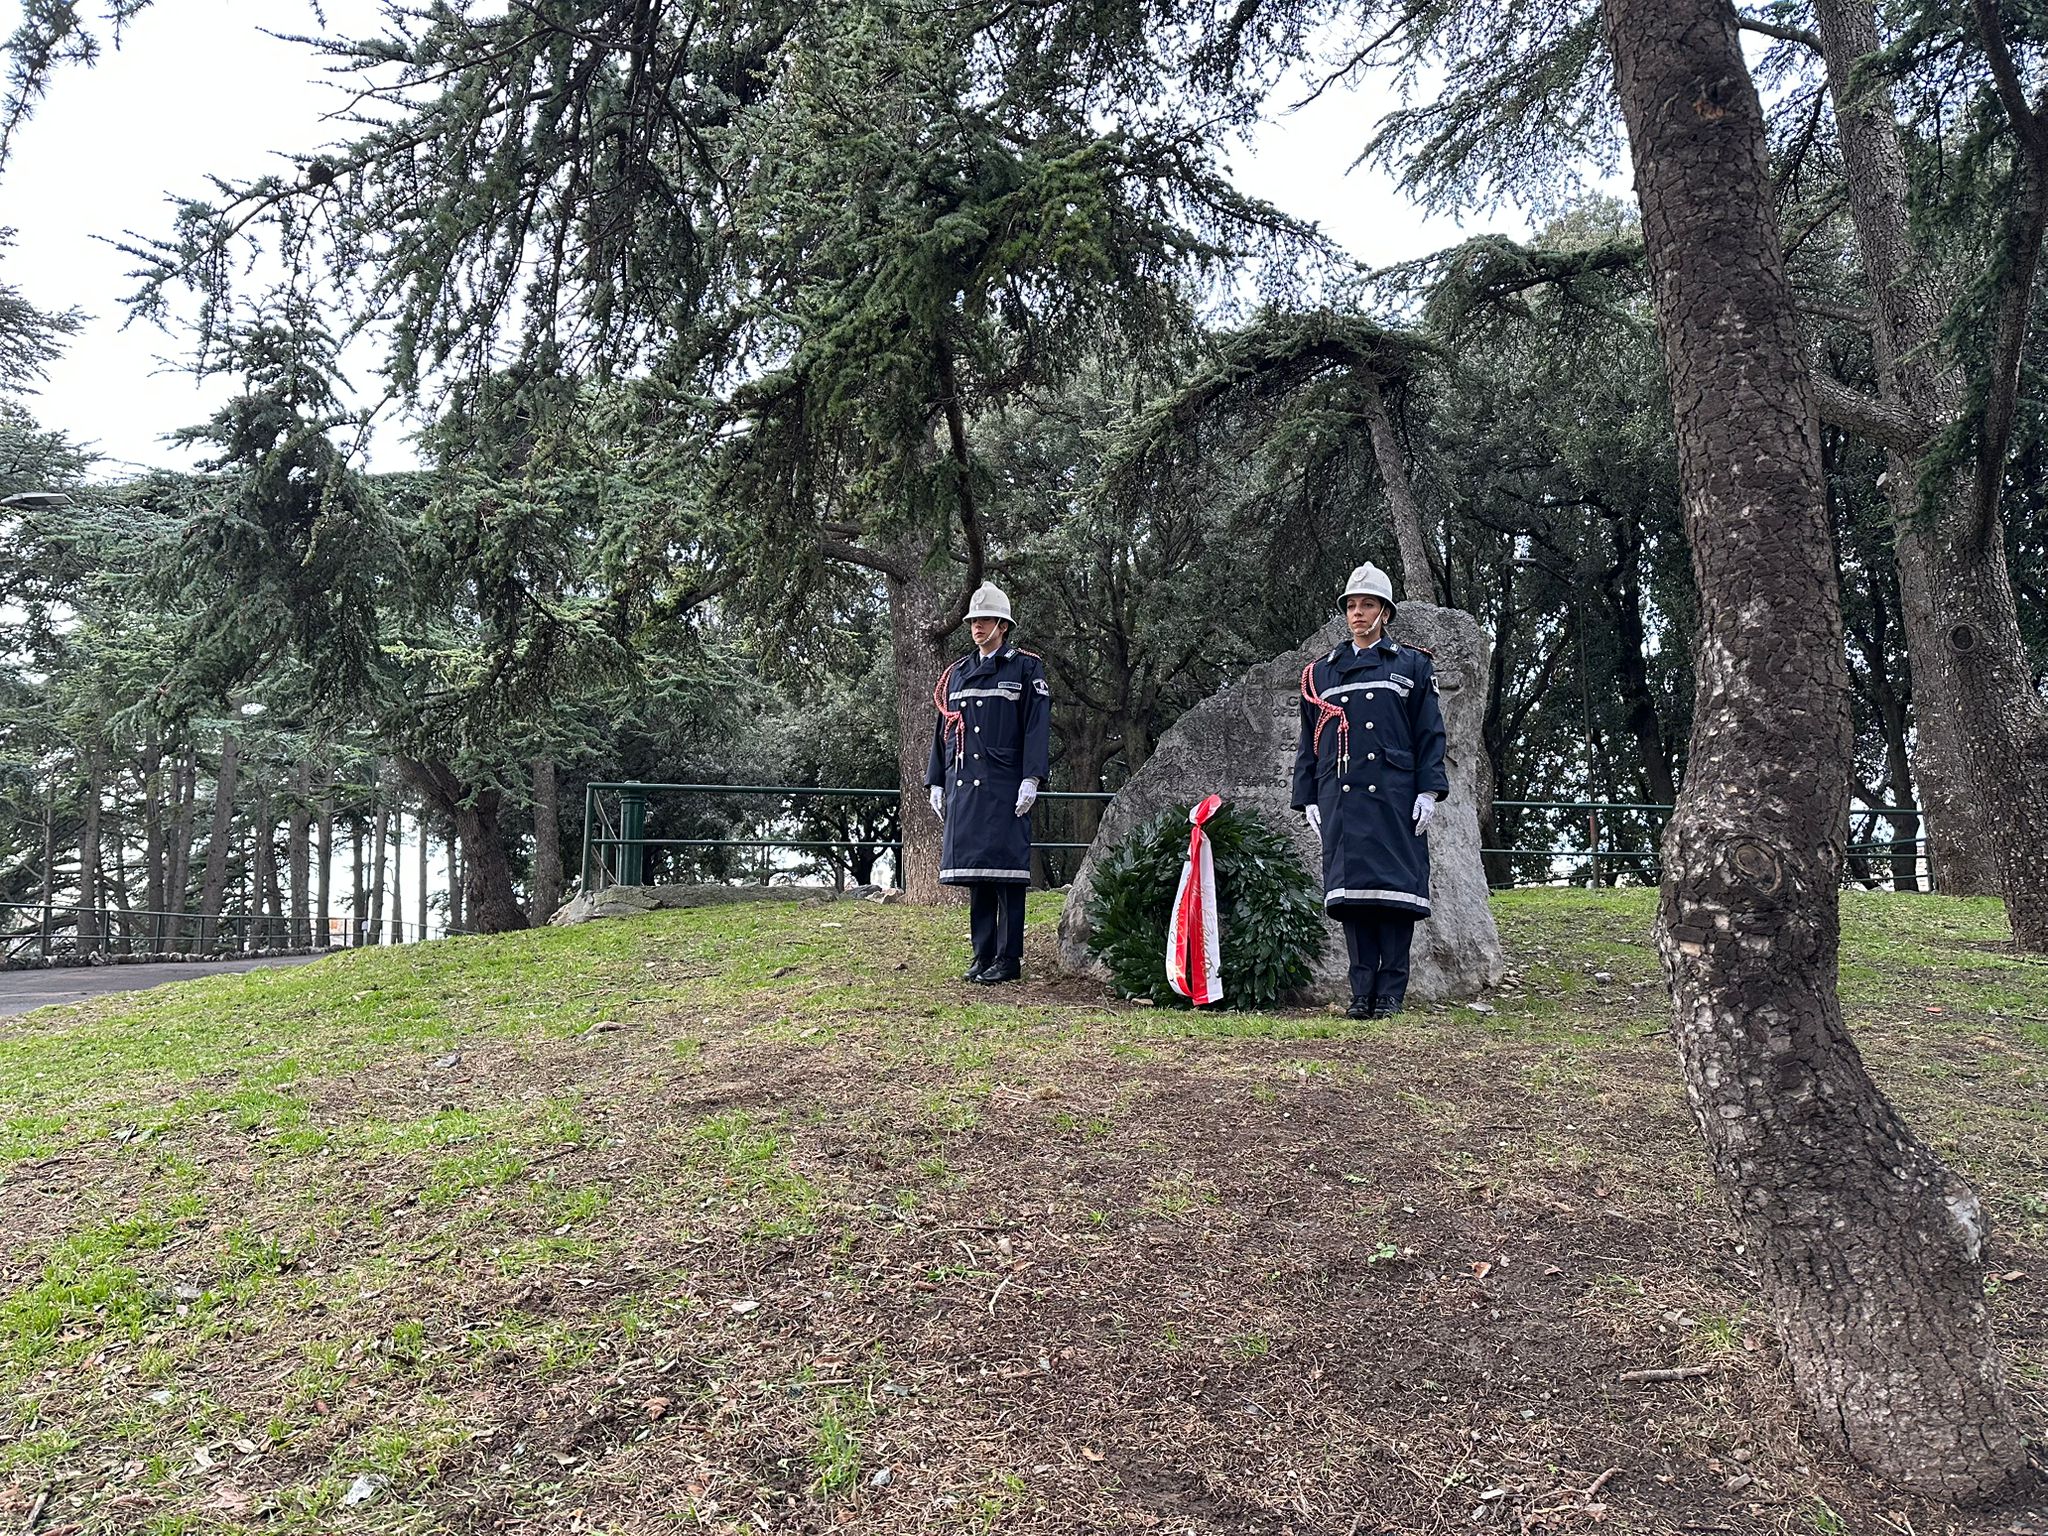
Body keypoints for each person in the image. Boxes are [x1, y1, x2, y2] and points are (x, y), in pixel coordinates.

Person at [1291, 561, 1448, 1018]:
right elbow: (1309, 741)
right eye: (1351, 605)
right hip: (1342, 797)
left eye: (1367, 604)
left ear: (1385, 612)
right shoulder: (1321, 673)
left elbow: (1429, 734)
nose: (1357, 613)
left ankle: (1391, 993)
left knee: (1395, 897)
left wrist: (1428, 792)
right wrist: (1309, 797)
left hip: (1395, 797)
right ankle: (1361, 993)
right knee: (1354, 897)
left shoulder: (1412, 665)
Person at [925, 582, 1050, 985]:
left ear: (1003, 625)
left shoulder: (1025, 668)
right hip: (965, 786)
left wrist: (1032, 778)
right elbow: (944, 730)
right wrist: (936, 781)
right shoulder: (956, 674)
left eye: (985, 620)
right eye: (973, 621)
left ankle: (1008, 959)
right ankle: (983, 955)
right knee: (978, 873)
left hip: (1005, 785)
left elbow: (1036, 728)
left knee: (1007, 875)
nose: (977, 627)